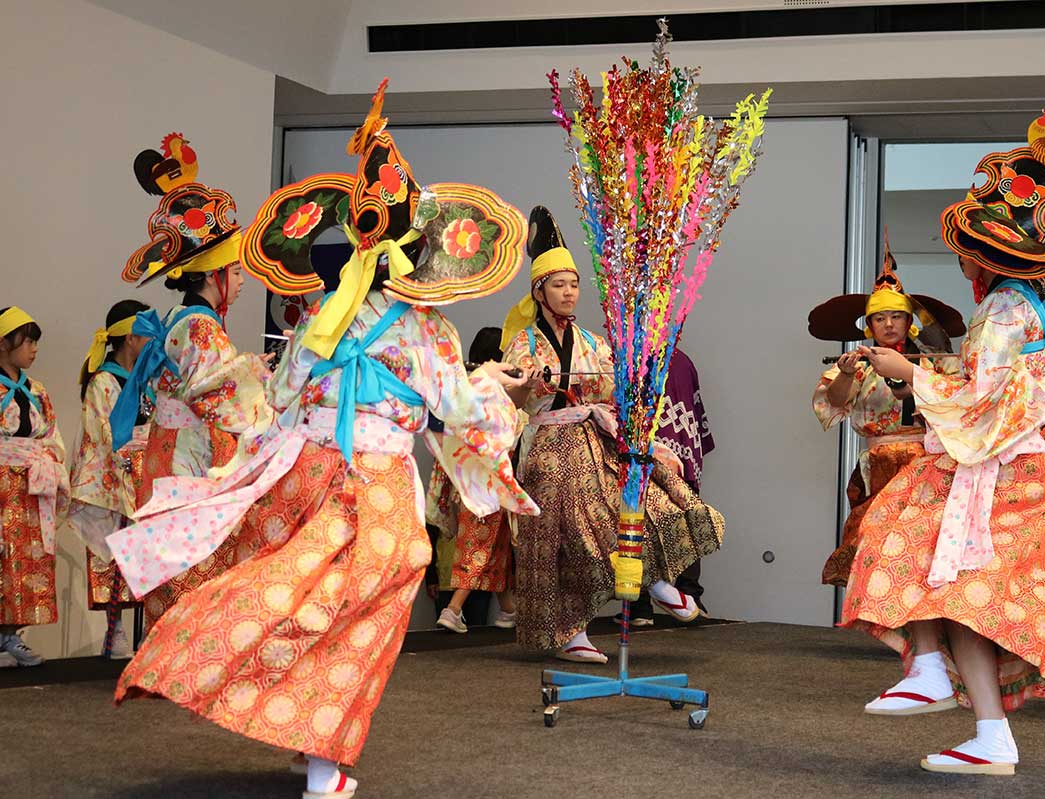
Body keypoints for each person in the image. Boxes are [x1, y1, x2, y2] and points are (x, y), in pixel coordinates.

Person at [113, 81, 537, 799]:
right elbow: (464, 410)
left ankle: (270, 713)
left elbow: (276, 400)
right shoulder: (425, 329)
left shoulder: (320, 321)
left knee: (291, 594)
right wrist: (505, 392)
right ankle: (320, 763)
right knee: (356, 618)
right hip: (372, 487)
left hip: (307, 473)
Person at [841, 109, 1045, 774]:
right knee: (949, 587)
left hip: (1004, 464)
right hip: (1008, 458)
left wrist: (911, 371)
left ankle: (931, 670)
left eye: (965, 250)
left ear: (990, 253)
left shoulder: (1006, 307)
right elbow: (992, 383)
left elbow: (983, 394)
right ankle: (988, 729)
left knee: (900, 533)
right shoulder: (1023, 306)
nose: (960, 261)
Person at [501, 205, 725, 664]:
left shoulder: (593, 342)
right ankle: (571, 629)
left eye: (573, 284)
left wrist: (648, 437)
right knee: (568, 531)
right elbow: (514, 400)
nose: (568, 293)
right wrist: (526, 383)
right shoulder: (522, 343)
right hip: (548, 446)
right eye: (558, 285)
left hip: (595, 436)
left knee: (652, 496)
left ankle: (659, 579)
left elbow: (614, 391)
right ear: (538, 290)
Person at [110, 135, 274, 628]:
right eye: (237, 270)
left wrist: (246, 370)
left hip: (172, 444)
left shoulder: (184, 318)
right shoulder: (200, 325)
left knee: (176, 546)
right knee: (191, 549)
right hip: (190, 451)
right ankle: (179, 652)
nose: (244, 280)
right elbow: (217, 391)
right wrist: (261, 377)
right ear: (213, 276)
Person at [808, 239, 965, 586]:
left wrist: (916, 386)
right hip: (877, 464)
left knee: (923, 545)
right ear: (869, 325)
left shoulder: (934, 362)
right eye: (880, 317)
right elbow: (833, 403)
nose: (889, 324)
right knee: (874, 543)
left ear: (910, 321)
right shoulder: (859, 364)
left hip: (929, 462)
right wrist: (847, 374)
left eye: (896, 316)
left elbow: (961, 403)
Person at [66, 299, 154, 658]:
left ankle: (147, 626)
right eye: (145, 334)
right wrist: (132, 447)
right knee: (111, 554)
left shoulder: (144, 380)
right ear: (130, 338)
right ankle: (114, 630)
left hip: (142, 471)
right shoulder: (103, 381)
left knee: (145, 553)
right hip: (115, 474)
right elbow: (102, 431)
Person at [425, 326, 519, 634]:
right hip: (486, 485)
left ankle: (508, 611)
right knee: (480, 546)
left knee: (497, 548)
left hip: (463, 483)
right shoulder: (491, 398)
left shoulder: (460, 395)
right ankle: (453, 609)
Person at [623, 345, 717, 624]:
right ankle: (691, 596)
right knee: (684, 520)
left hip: (645, 451)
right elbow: (696, 414)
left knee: (638, 521)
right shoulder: (684, 360)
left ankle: (639, 606)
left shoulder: (632, 360)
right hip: (681, 450)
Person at [0, 307, 69, 667]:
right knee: (3, 557)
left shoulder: (36, 390)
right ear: (3, 344)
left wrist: (51, 464)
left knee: (28, 560)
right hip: (2, 483)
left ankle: (11, 635)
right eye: (27, 341)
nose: (34, 348)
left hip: (30, 484)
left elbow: (50, 434)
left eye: (34, 341)